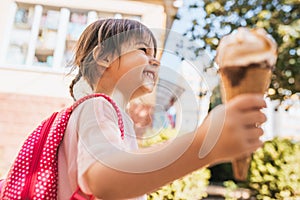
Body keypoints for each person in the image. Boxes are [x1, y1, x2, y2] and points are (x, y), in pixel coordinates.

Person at [59, 18, 266, 199]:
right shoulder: (97, 106)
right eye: (143, 50)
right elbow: (102, 180)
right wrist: (204, 146)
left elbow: (129, 169)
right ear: (104, 57)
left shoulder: (113, 115)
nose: (156, 61)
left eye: (155, 53)